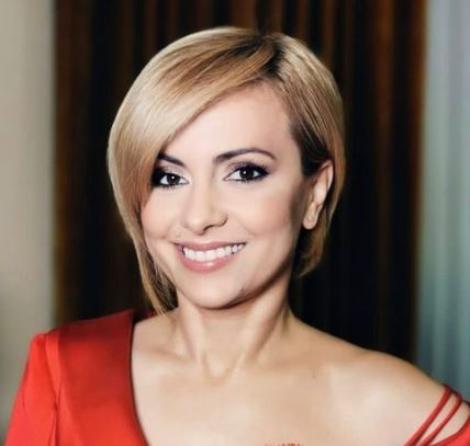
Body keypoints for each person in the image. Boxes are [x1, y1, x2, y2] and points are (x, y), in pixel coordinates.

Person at [5, 27, 470, 446]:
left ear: (314, 192)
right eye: (168, 177)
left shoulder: (404, 416)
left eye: (244, 172)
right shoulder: (65, 369)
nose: (199, 217)